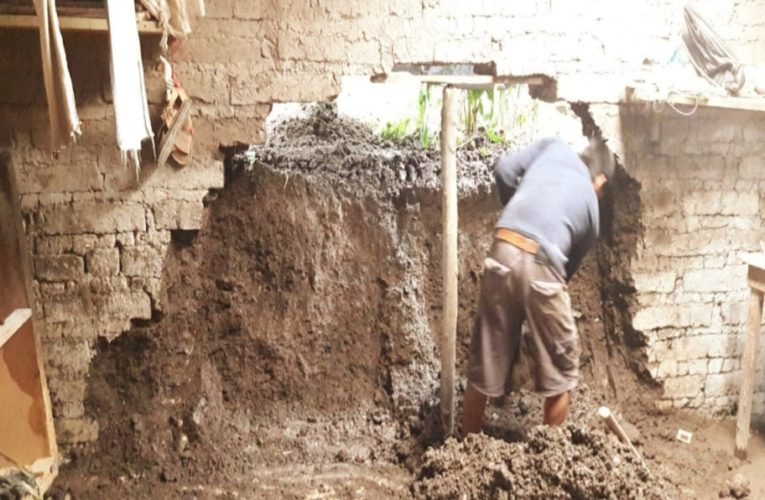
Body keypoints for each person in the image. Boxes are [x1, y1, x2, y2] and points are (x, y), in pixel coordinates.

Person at [462, 135, 614, 434]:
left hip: (503, 245)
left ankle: (465, 446)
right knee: (562, 368)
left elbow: (504, 169)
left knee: (486, 356)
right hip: (546, 261)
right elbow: (561, 275)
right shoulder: (592, 212)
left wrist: (520, 214)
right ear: (600, 181)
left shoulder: (554, 147)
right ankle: (548, 456)